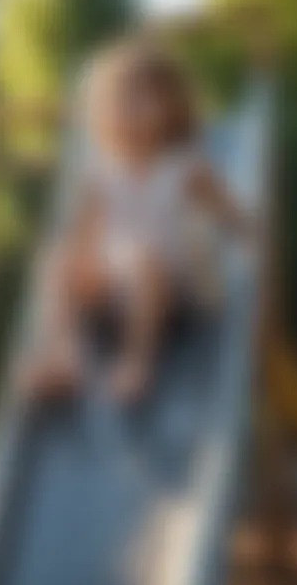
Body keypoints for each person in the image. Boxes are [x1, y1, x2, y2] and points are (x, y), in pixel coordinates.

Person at [22, 38, 253, 403]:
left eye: (138, 99)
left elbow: (233, 215)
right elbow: (84, 235)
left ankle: (137, 361)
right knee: (56, 258)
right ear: (99, 112)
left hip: (171, 290)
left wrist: (251, 244)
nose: (125, 111)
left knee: (141, 258)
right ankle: (66, 356)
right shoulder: (99, 171)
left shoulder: (183, 168)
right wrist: (74, 271)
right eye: (115, 101)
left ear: (170, 106)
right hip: (116, 285)